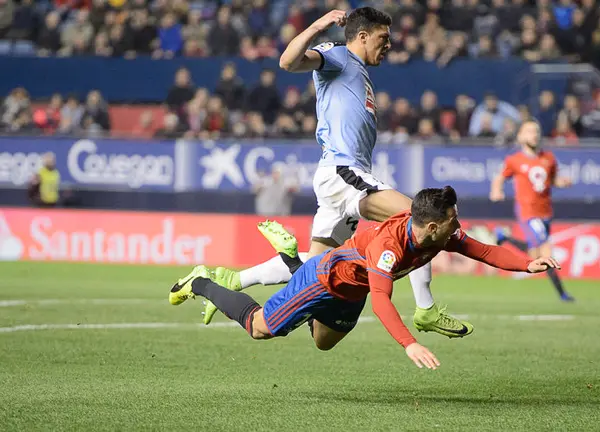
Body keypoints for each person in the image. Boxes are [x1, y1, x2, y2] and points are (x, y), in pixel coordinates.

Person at [201, 7, 472, 338]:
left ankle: (240, 278)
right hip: (342, 173)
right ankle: (425, 308)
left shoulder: (359, 72)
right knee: (418, 215)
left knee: (322, 307)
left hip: (343, 183)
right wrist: (318, 25)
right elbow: (287, 62)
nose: (389, 45)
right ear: (362, 36)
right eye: (383, 38)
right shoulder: (337, 56)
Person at [169, 187, 560, 369]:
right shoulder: (390, 246)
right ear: (431, 227)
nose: (459, 225)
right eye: (453, 220)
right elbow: (382, 301)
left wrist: (527, 264)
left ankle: (290, 260)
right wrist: (408, 344)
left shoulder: (441, 233)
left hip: (348, 292)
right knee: (260, 329)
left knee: (322, 343)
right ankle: (201, 281)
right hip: (325, 281)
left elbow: (485, 250)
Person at [489, 120, 575, 302]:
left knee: (534, 255)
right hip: (527, 212)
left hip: (545, 212)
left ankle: (504, 237)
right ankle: (563, 294)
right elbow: (499, 178)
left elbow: (552, 181)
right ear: (520, 136)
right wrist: (497, 190)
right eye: (529, 131)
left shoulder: (549, 158)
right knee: (546, 253)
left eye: (536, 131)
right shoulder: (514, 161)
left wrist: (563, 182)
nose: (534, 134)